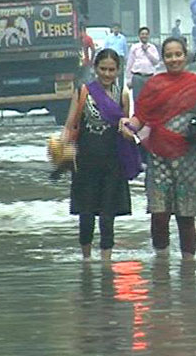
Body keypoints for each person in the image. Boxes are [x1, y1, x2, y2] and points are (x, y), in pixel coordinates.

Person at [119, 37, 196, 262]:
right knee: (159, 214)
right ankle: (161, 264)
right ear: (163, 59)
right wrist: (128, 127)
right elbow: (140, 117)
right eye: (169, 55)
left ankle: (188, 267)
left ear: (186, 56)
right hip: (158, 156)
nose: (174, 59)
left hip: (188, 157)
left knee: (186, 215)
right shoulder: (154, 85)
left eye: (178, 54)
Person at [62, 48, 133, 261]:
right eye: (103, 69)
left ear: (118, 71)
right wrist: (63, 155)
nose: (107, 74)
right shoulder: (83, 91)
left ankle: (106, 262)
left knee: (107, 215)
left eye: (112, 70)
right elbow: (70, 125)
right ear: (95, 69)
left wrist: (128, 131)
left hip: (112, 163)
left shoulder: (123, 95)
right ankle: (86, 260)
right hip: (85, 162)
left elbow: (127, 127)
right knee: (86, 214)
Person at [125, 26, 160, 100]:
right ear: (139, 36)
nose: (144, 36)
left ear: (148, 36)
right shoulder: (135, 47)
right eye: (142, 34)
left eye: (146, 34)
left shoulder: (152, 47)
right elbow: (130, 63)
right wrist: (128, 79)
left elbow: (156, 61)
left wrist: (147, 51)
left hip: (149, 77)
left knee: (150, 99)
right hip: (137, 77)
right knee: (137, 99)